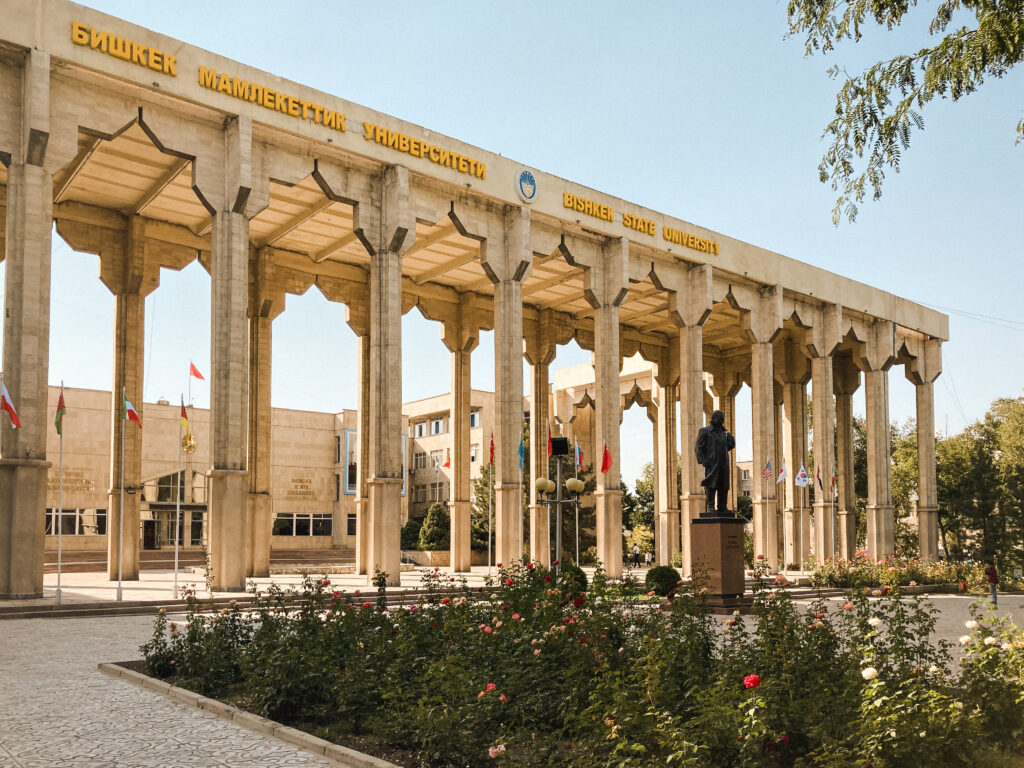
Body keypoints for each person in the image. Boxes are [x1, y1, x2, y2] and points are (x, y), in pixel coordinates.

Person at [695, 410, 736, 515]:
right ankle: (711, 506)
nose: (721, 420)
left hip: (724, 464)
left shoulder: (723, 433)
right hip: (712, 463)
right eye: (718, 417)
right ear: (712, 419)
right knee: (711, 484)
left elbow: (724, 448)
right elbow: (698, 448)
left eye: (722, 418)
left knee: (724, 485)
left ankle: (722, 506)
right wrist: (704, 461)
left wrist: (731, 442)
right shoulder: (705, 431)